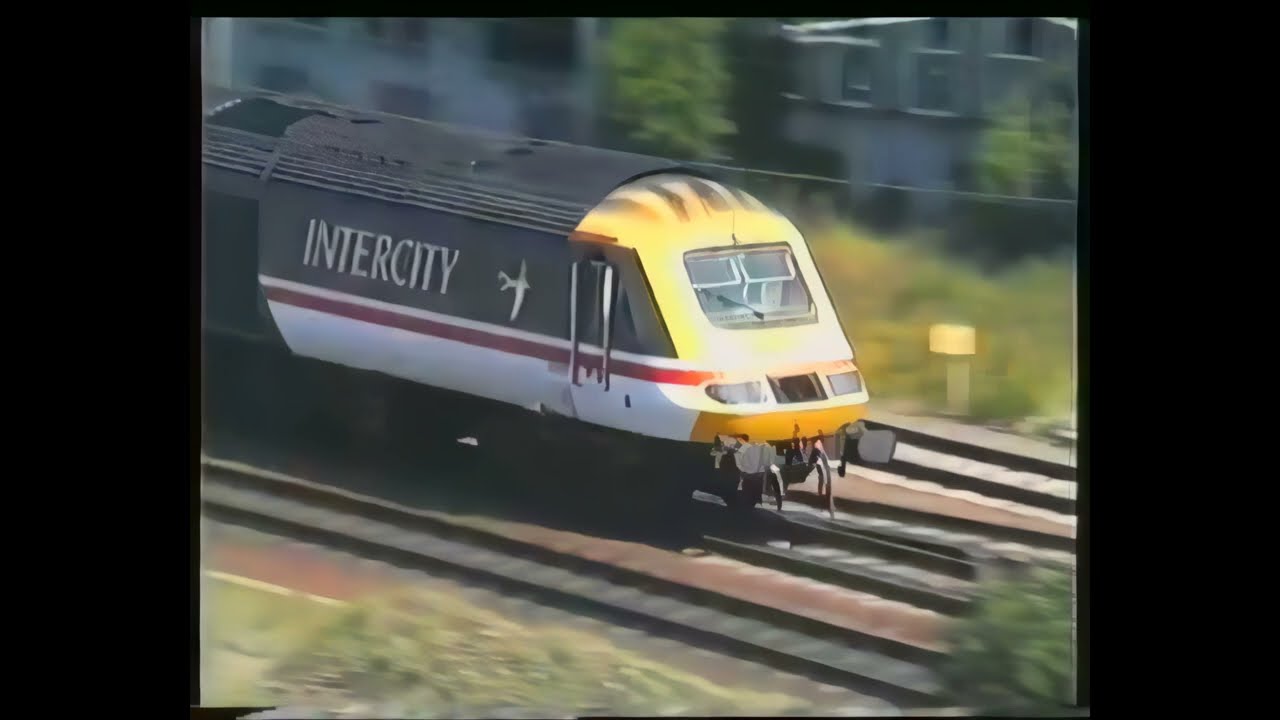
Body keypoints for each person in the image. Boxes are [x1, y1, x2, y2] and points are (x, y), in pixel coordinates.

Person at [806, 431, 835, 519]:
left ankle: (827, 509)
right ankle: (828, 509)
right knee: (825, 491)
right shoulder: (817, 451)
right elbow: (811, 462)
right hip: (824, 474)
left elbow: (811, 463)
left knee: (825, 491)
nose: (819, 443)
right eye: (818, 442)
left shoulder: (819, 450)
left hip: (825, 474)